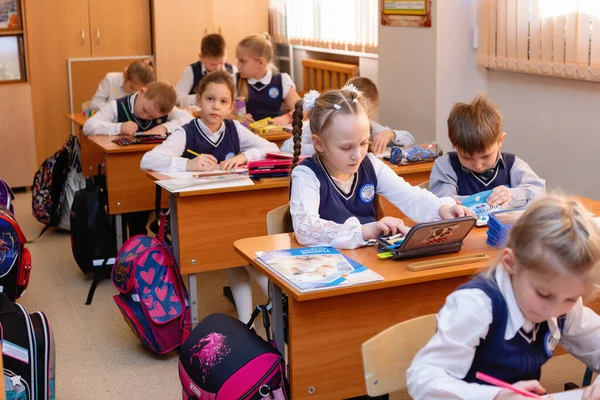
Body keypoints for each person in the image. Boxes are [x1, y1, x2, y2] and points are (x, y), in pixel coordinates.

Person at [228, 86, 472, 324]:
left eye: (364, 143)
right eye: (346, 147)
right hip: (327, 281)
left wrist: (442, 208)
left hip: (369, 271)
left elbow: (411, 196)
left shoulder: (370, 165)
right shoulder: (306, 174)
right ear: (319, 143)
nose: (357, 154)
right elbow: (305, 228)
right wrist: (366, 230)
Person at [407, 194, 600, 399]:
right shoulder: (476, 306)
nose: (553, 310)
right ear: (510, 263)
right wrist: (496, 395)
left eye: (571, 299)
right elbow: (424, 379)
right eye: (543, 294)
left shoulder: (561, 296)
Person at [140, 70, 279, 172]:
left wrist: (244, 157)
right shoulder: (186, 133)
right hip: (192, 202)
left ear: (231, 107)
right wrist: (187, 164)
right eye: (210, 99)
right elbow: (147, 160)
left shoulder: (234, 129)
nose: (216, 106)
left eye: (223, 101)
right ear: (199, 100)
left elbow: (273, 149)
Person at [429, 94, 545, 209]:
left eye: (485, 157)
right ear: (455, 146)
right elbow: (441, 202)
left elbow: (539, 193)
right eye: (467, 158)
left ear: (500, 140)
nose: (478, 166)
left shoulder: (512, 164)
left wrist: (512, 194)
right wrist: (484, 200)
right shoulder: (446, 165)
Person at [280, 76, 414, 156]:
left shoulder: (369, 125)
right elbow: (286, 147)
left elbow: (409, 138)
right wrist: (328, 149)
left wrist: (390, 134)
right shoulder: (322, 122)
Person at [83, 82, 192, 138]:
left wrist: (164, 127)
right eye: (144, 110)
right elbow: (88, 126)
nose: (145, 116)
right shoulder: (116, 106)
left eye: (152, 117)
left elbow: (190, 120)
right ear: (141, 92)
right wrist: (119, 127)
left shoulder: (163, 108)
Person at [236, 33, 300, 125]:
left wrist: (286, 118)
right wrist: (236, 117)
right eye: (237, 60)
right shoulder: (234, 80)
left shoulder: (281, 80)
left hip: (273, 135)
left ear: (261, 62)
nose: (237, 65)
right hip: (245, 136)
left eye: (242, 61)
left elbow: (302, 109)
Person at [175, 33, 237, 105]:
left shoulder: (232, 70)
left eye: (221, 63)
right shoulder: (191, 71)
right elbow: (177, 98)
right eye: (212, 64)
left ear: (226, 56)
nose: (217, 68)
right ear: (201, 57)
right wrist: (202, 98)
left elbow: (236, 96)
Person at [90, 59, 154, 111]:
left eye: (137, 90)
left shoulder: (144, 89)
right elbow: (94, 104)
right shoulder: (111, 79)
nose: (133, 92)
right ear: (125, 75)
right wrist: (114, 109)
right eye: (131, 87)